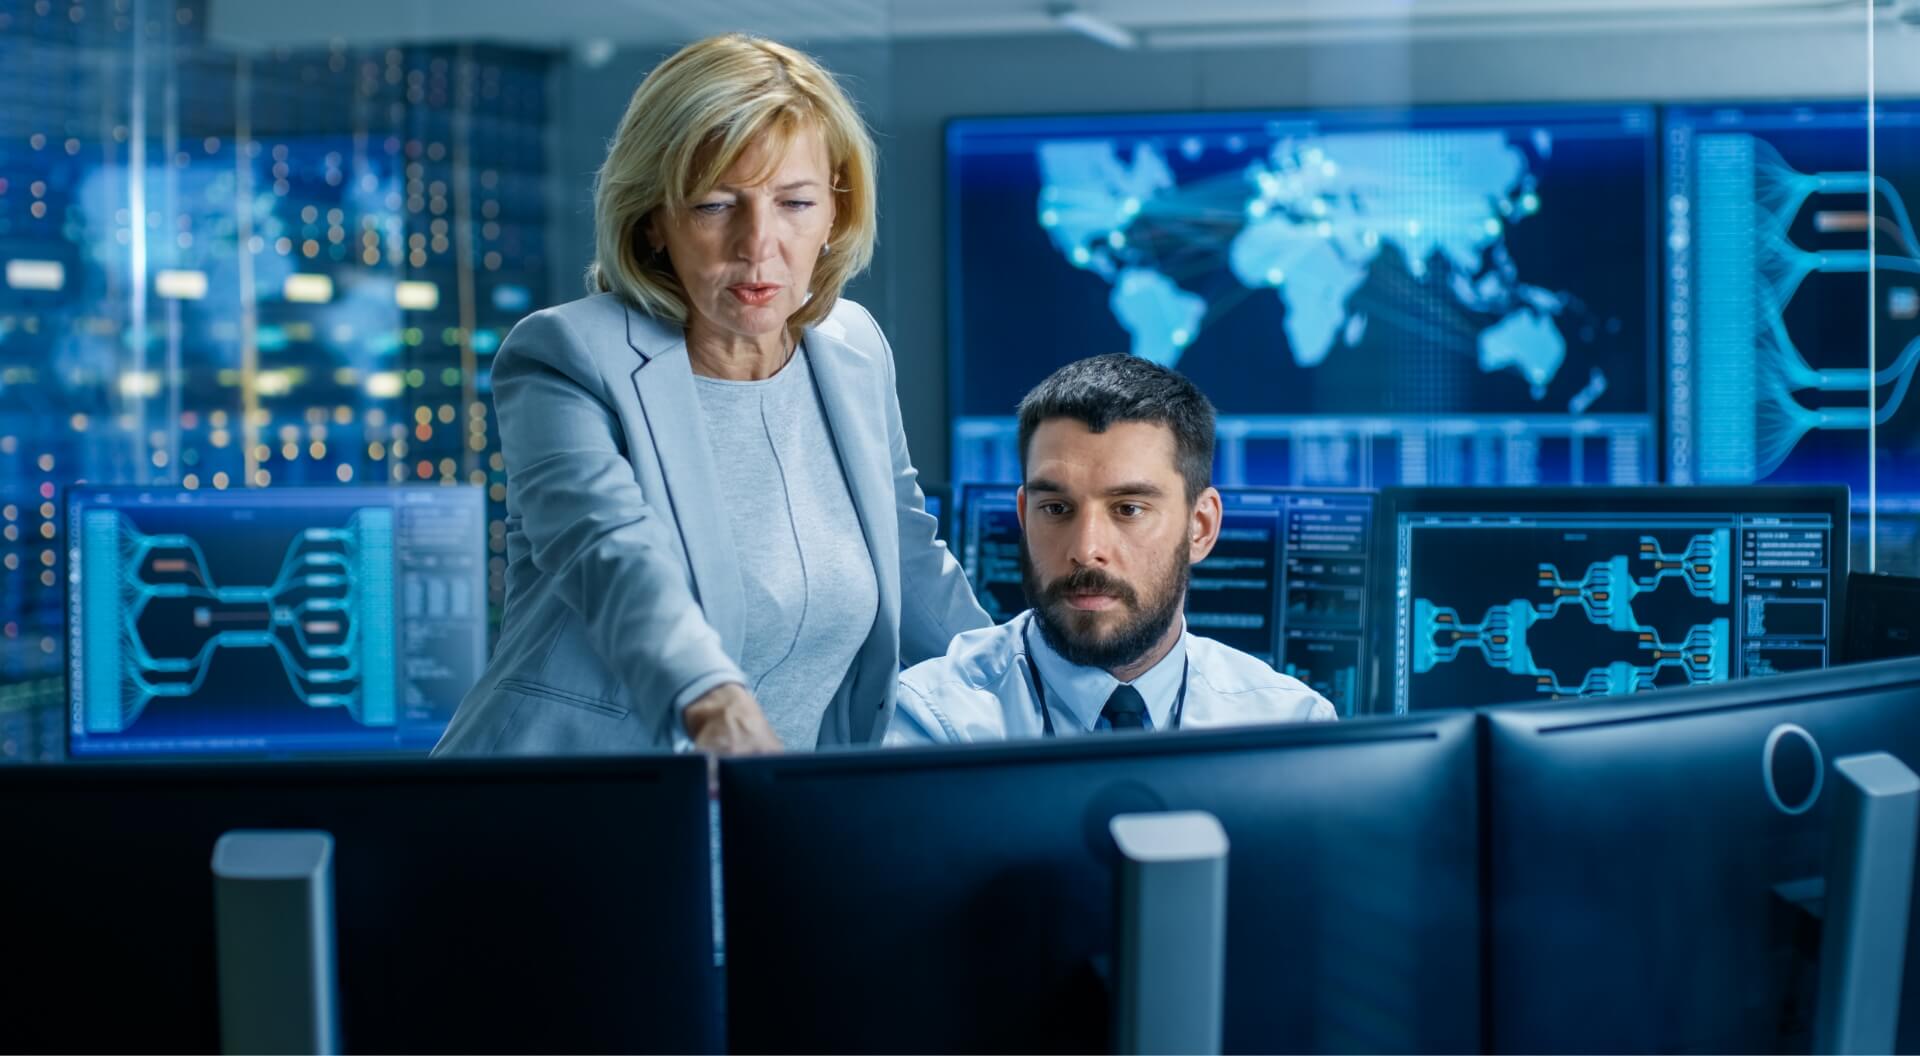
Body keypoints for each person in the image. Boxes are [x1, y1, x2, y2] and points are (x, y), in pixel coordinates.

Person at [436, 34, 988, 757]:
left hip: (762, 818)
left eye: (794, 202)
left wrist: (1033, 687)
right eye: (714, 206)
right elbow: (611, 555)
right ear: (654, 221)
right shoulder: (567, 356)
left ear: (835, 214)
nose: (758, 246)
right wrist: (711, 698)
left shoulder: (853, 347)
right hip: (561, 809)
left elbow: (911, 560)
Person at [887, 355, 1336, 745]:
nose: (1086, 550)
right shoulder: (932, 725)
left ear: (1200, 527)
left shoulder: (1288, 727)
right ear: (1024, 517)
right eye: (1057, 508)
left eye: (1128, 509)